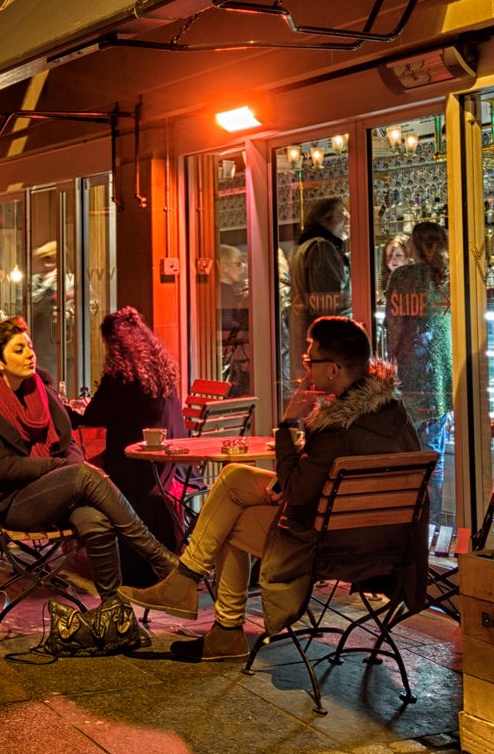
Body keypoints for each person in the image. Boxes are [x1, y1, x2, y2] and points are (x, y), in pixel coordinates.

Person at [125, 315, 422, 661]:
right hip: (382, 538)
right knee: (235, 477)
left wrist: (286, 425)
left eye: (312, 361)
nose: (306, 370)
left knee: (231, 522)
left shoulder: (337, 430)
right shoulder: (393, 411)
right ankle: (188, 585)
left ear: (335, 369)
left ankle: (221, 626)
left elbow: (297, 493)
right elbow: (317, 479)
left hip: (329, 545)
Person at [0, 318, 178, 614]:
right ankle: (162, 559)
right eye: (19, 350)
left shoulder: (42, 391)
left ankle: (114, 612)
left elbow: (69, 444)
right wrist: (62, 469)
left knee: (96, 520)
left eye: (30, 347)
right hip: (13, 502)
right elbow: (2, 468)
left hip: (55, 493)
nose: (30, 354)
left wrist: (66, 468)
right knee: (84, 474)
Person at [76, 307, 186, 587]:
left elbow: (95, 416)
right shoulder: (162, 368)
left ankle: (111, 558)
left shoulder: (121, 373)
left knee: (90, 476)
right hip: (172, 463)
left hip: (133, 464)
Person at [384, 222, 453, 533]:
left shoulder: (402, 277)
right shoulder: (451, 278)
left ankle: (408, 526)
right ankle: (432, 526)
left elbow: (394, 329)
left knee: (407, 459)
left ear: (412, 245)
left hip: (409, 381)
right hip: (441, 383)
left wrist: (389, 367)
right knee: (434, 460)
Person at [287, 198, 348, 362]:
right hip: (325, 347)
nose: (346, 218)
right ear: (325, 218)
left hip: (308, 340)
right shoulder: (322, 248)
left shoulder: (304, 247)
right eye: (341, 213)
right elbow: (328, 302)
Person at [217, 244, 251, 387]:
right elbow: (225, 321)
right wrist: (244, 326)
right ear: (224, 267)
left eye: (242, 264)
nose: (242, 268)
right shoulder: (225, 292)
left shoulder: (226, 290)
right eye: (238, 264)